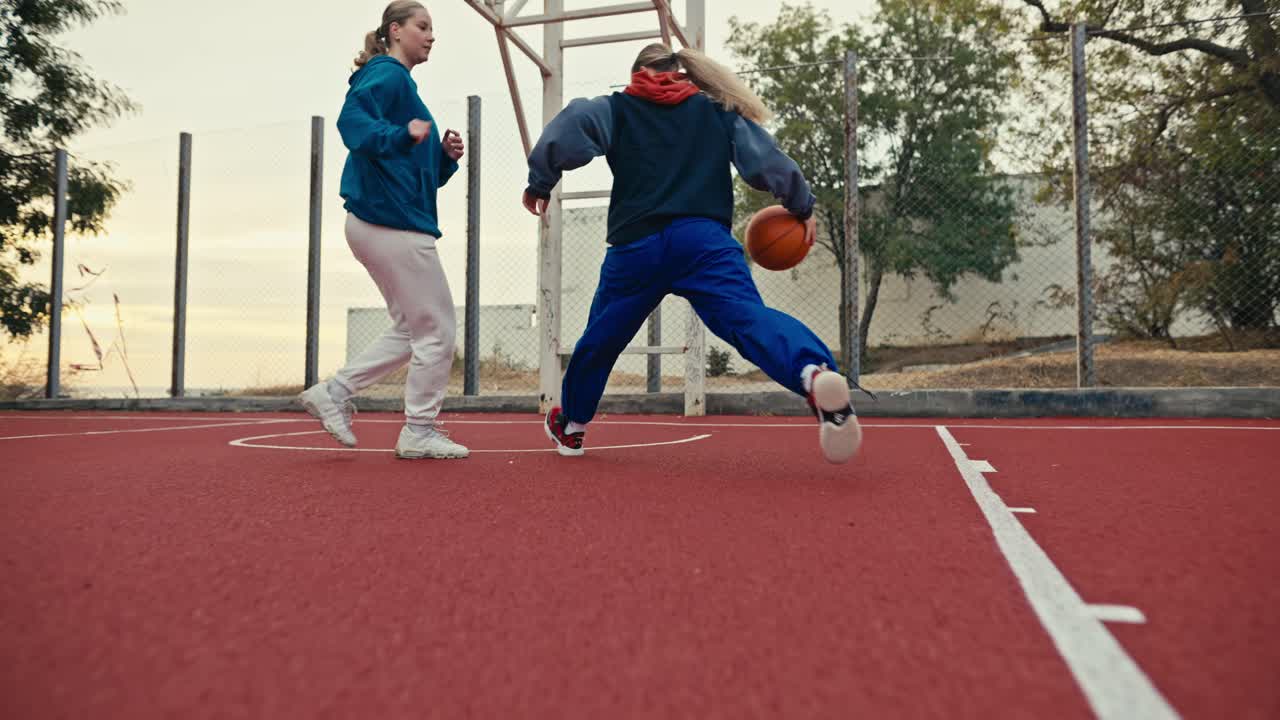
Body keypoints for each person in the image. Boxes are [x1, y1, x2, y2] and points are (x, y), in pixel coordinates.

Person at [523, 43, 863, 464]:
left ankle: (572, 425)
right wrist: (801, 203)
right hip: (704, 244)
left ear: (636, 73)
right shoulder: (717, 110)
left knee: (601, 337)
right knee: (747, 320)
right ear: (683, 72)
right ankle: (812, 374)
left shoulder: (615, 108)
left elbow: (572, 121)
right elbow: (765, 160)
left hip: (636, 248)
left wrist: (541, 180)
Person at [298, 1, 468, 460]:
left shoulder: (401, 86)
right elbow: (352, 123)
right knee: (437, 330)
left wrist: (443, 160)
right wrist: (400, 136)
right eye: (423, 26)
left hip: (379, 221)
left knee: (413, 329)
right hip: (393, 225)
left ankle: (334, 393)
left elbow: (414, 172)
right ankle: (419, 430)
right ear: (396, 30)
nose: (431, 36)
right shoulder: (388, 75)